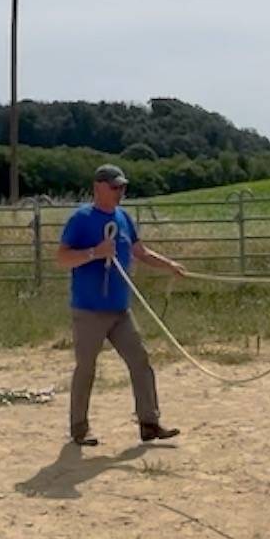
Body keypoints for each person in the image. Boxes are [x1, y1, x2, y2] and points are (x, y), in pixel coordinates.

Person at [55, 164, 188, 446]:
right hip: (88, 310)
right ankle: (79, 428)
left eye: (122, 187)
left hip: (119, 309)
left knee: (140, 361)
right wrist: (94, 252)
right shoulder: (81, 219)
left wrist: (169, 265)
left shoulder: (124, 218)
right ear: (98, 187)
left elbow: (139, 251)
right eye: (114, 187)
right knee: (86, 368)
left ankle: (149, 423)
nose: (120, 192)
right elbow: (62, 259)